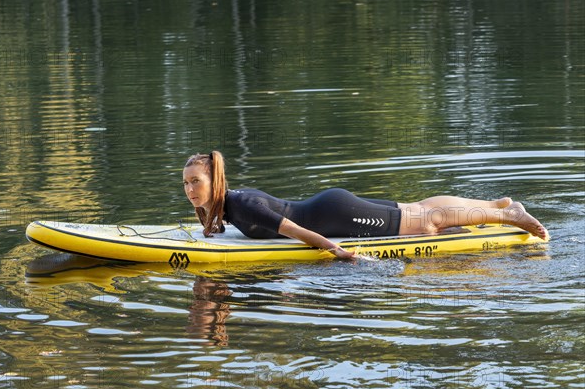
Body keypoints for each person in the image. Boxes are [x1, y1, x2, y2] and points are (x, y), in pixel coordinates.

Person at [183, 151, 549, 260]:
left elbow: (293, 231)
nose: (189, 189)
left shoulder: (242, 204)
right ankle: (492, 204)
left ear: (216, 181)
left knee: (426, 222)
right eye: (185, 183)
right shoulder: (226, 206)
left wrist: (336, 251)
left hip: (335, 216)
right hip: (331, 208)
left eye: (196, 182)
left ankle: (508, 214)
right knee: (417, 208)